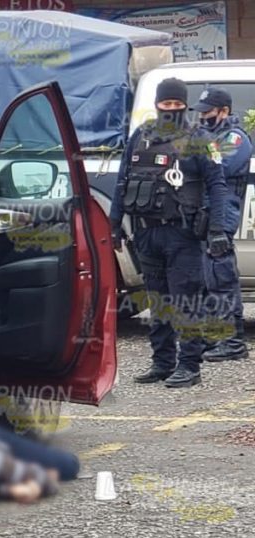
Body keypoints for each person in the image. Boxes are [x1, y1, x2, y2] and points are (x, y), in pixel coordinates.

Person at [110, 77, 229, 388]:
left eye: (177, 104)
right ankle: (162, 363)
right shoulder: (141, 135)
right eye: (167, 104)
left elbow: (217, 186)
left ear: (185, 105)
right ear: (158, 104)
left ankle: (189, 365)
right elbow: (122, 181)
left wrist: (218, 230)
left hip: (183, 234)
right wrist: (114, 225)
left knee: (185, 301)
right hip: (147, 234)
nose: (171, 109)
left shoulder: (201, 138)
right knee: (158, 302)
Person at [194, 87, 253, 362]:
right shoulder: (211, 137)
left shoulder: (235, 138)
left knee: (222, 279)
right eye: (201, 112)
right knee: (207, 280)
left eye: (208, 112)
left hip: (222, 215)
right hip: (205, 213)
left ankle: (233, 342)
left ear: (224, 111)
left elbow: (217, 167)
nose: (203, 117)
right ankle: (216, 335)